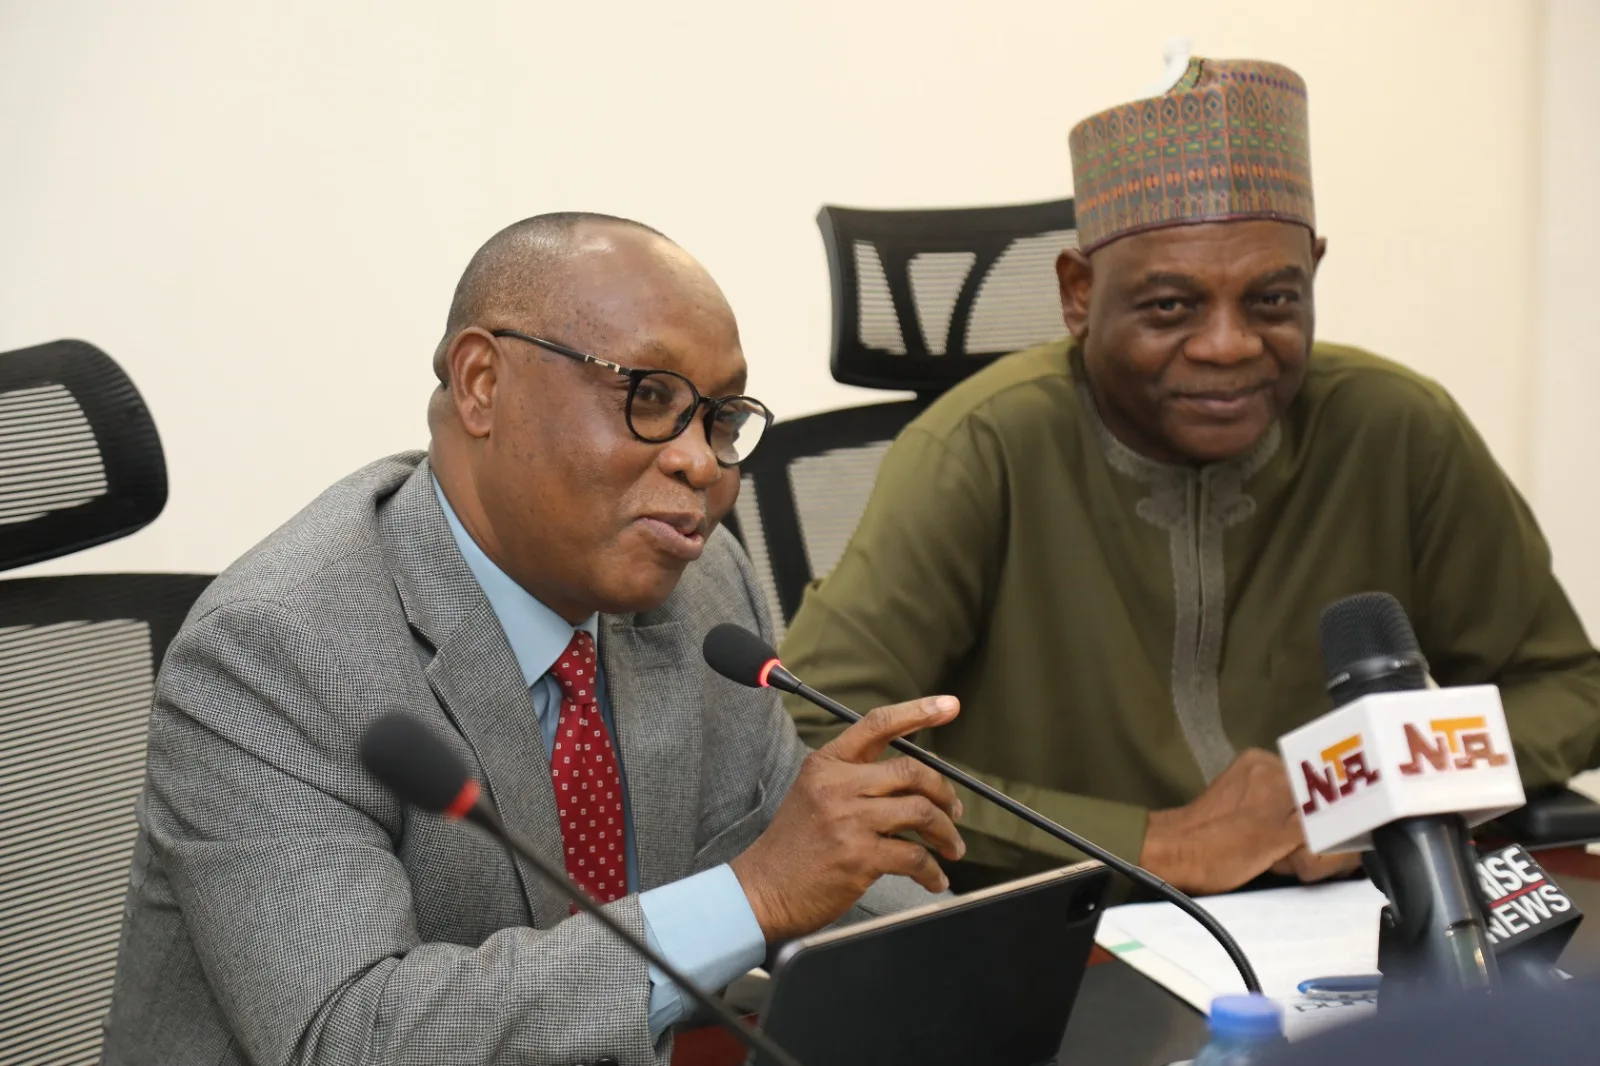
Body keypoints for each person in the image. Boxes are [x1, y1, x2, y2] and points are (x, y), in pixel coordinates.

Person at [101, 213, 966, 1066]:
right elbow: (353, 1036)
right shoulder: (276, 652)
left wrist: (969, 956)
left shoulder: (703, 594)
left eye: (722, 419)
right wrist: (751, 898)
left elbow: (804, 863)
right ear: (481, 384)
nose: (702, 463)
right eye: (652, 397)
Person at [779, 57, 1600, 895]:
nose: (1228, 345)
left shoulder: (1396, 427)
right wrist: (1151, 842)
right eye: (1171, 306)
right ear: (1078, 293)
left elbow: (1566, 687)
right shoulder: (981, 447)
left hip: (1341, 915)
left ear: (1313, 273)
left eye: (1273, 301)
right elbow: (813, 733)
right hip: (1063, 928)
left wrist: (1375, 790)